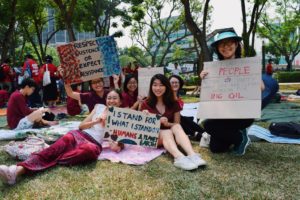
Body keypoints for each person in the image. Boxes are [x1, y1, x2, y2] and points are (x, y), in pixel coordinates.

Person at [0, 89, 124, 185]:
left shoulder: (121, 118)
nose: (111, 101)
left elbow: (115, 147)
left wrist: (111, 128)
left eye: (115, 98)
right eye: (109, 98)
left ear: (120, 101)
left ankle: (44, 158)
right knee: (64, 141)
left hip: (93, 144)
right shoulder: (99, 107)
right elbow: (81, 126)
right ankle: (16, 171)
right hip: (79, 134)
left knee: (88, 151)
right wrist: (96, 122)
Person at [200, 28, 254, 155]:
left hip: (242, 114)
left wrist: (251, 78)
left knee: (209, 126)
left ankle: (241, 137)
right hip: (222, 114)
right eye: (222, 44)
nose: (226, 47)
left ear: (236, 45)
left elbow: (261, 88)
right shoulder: (213, 68)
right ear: (218, 48)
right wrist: (204, 79)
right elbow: (208, 94)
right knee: (216, 148)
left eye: (229, 43)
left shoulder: (246, 65)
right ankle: (235, 135)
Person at [140, 74, 206, 170]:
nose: (158, 88)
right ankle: (179, 157)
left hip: (172, 137)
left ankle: (192, 155)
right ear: (151, 87)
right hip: (153, 137)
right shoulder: (146, 103)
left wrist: (167, 124)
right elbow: (141, 127)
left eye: (161, 85)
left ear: (166, 87)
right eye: (155, 85)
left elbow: (177, 123)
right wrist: (148, 117)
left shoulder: (174, 103)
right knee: (166, 132)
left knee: (176, 127)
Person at [169, 75, 205, 141]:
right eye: (172, 82)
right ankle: (195, 134)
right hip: (169, 121)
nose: (174, 84)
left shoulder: (177, 95)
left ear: (180, 84)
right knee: (182, 119)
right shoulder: (167, 95)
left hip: (178, 118)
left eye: (176, 82)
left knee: (185, 119)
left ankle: (203, 132)